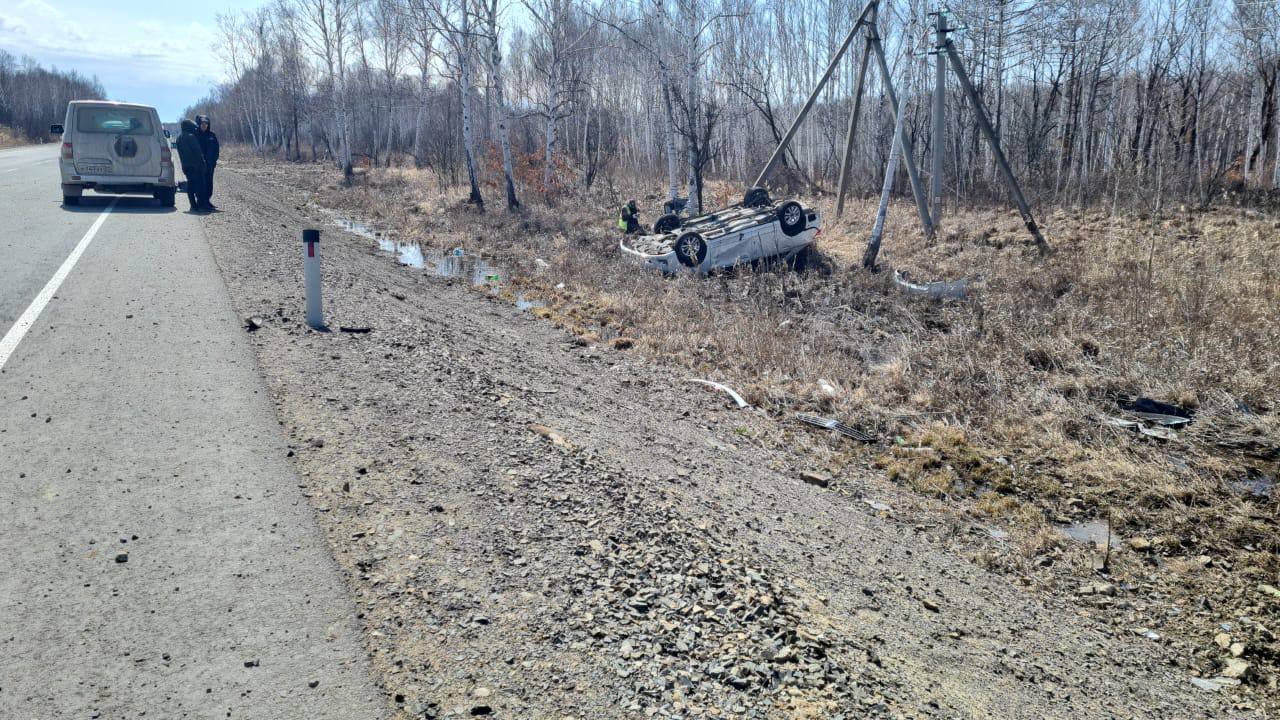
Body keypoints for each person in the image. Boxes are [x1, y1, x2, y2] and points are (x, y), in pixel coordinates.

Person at [174, 119, 211, 212]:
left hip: (186, 166)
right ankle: (201, 205)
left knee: (191, 185)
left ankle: (193, 206)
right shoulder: (191, 137)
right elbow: (198, 152)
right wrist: (203, 163)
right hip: (196, 166)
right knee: (200, 185)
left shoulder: (178, 138)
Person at [195, 115, 220, 209]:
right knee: (200, 184)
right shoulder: (195, 135)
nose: (204, 125)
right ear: (199, 124)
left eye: (206, 124)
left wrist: (213, 161)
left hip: (210, 165)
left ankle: (207, 201)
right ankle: (200, 202)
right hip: (199, 165)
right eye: (202, 124)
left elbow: (216, 149)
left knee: (209, 184)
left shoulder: (212, 135)